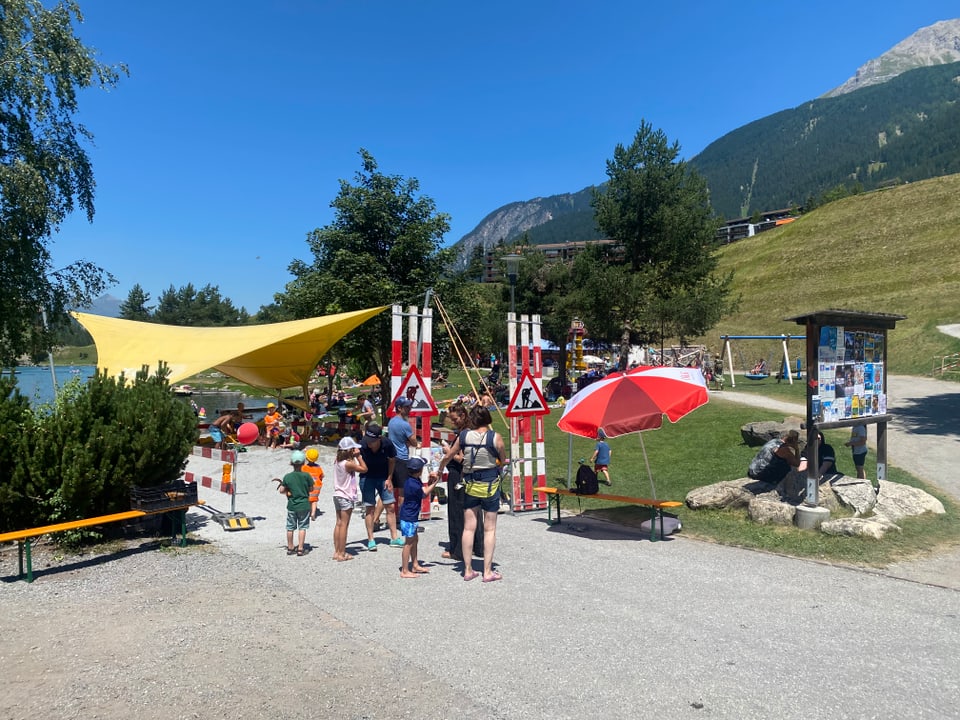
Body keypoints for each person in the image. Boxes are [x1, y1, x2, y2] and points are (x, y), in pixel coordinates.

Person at [439, 405, 506, 582]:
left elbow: (448, 456)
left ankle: (468, 569)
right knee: (489, 528)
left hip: (470, 483)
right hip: (490, 483)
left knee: (469, 526)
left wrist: (439, 470)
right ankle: (487, 570)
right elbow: (503, 460)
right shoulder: (495, 437)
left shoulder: (464, 436)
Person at [438, 402, 483, 562]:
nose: (453, 422)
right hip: (472, 476)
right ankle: (478, 546)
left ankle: (457, 549)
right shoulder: (473, 432)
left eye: (455, 419)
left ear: (463, 416)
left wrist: (447, 452)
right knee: (473, 511)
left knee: (457, 511)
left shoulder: (465, 434)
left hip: (459, 475)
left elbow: (463, 459)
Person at [359, 423, 403, 550]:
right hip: (366, 478)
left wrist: (389, 478)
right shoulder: (362, 444)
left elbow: (392, 460)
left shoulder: (387, 444)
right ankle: (371, 539)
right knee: (370, 508)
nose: (369, 443)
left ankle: (394, 538)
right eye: (368, 440)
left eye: (372, 441)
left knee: (390, 506)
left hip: (383, 477)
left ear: (379, 439)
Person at [398, 457, 442, 578]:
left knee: (415, 539)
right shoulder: (413, 484)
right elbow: (424, 493)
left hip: (411, 515)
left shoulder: (413, 480)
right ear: (419, 471)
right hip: (409, 516)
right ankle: (405, 570)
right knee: (409, 542)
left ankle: (415, 564)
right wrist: (435, 483)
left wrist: (429, 482)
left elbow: (423, 488)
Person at [332, 436, 367, 561]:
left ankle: (337, 551)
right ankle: (341, 553)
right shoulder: (348, 464)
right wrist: (359, 456)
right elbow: (364, 469)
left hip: (337, 494)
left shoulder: (337, 461)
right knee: (344, 525)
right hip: (346, 496)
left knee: (339, 523)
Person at [277, 450, 313, 557]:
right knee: (302, 527)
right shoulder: (307, 476)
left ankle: (290, 547)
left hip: (292, 505)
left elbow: (281, 490)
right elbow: (311, 489)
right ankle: (300, 548)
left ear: (291, 463)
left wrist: (289, 492)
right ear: (303, 463)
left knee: (290, 527)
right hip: (304, 505)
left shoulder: (288, 477)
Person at [303, 447, 325, 520]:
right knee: (314, 500)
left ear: (307, 458)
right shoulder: (318, 467)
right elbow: (322, 476)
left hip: (307, 487)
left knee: (307, 500)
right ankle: (313, 513)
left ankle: (307, 512)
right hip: (316, 487)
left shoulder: (304, 467)